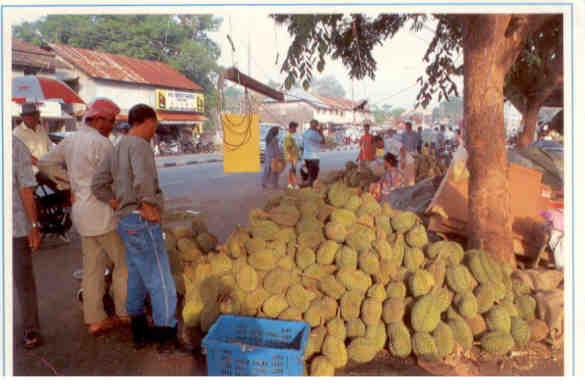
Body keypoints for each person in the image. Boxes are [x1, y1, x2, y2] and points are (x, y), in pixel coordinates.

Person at [91, 104, 181, 353]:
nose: (155, 130)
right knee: (161, 277)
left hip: (125, 220)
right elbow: (143, 179)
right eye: (154, 124)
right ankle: (166, 335)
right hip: (141, 219)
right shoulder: (140, 145)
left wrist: (115, 201)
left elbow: (98, 184)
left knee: (137, 275)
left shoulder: (118, 146)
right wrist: (148, 205)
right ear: (147, 121)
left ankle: (139, 332)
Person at [38, 98, 129, 336]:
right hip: (103, 213)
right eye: (110, 121)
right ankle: (123, 312)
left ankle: (95, 319)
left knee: (92, 267)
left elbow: (45, 163)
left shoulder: (70, 140)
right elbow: (116, 180)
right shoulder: (103, 144)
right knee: (123, 264)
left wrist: (70, 183)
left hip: (81, 212)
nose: (112, 126)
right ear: (97, 119)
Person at [13, 137, 43, 349]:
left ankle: (30, 327)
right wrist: (33, 225)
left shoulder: (15, 145)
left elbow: (26, 189)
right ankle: (31, 329)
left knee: (23, 281)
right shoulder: (14, 144)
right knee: (23, 282)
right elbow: (26, 189)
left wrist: (32, 225)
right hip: (15, 227)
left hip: (14, 228)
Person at [301, 119, 325, 187]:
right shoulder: (315, 133)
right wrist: (321, 132)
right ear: (315, 125)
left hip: (306, 156)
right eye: (317, 125)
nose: (317, 127)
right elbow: (323, 141)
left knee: (307, 172)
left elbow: (302, 145)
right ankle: (310, 187)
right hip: (314, 157)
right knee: (313, 174)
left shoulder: (305, 133)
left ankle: (306, 185)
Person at [283, 121, 300, 189]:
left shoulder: (290, 136)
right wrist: (291, 156)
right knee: (293, 170)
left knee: (291, 170)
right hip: (291, 156)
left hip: (292, 156)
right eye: (295, 128)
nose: (296, 129)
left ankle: (290, 184)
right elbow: (289, 148)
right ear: (291, 128)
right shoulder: (288, 137)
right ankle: (295, 185)